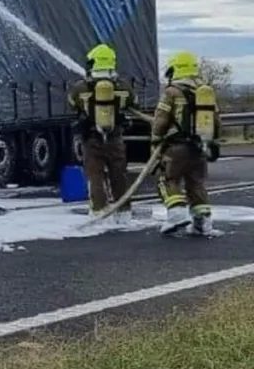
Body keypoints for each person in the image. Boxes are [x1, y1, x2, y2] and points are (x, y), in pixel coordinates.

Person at [151, 50, 222, 236]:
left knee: (167, 178)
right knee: (196, 183)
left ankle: (176, 215)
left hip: (177, 146)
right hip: (200, 148)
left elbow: (161, 119)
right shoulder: (205, 92)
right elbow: (216, 120)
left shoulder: (172, 92)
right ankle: (202, 223)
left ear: (175, 69)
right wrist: (213, 142)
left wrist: (156, 139)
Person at [67, 43, 136, 223]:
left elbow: (72, 103)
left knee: (95, 175)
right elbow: (132, 101)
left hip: (91, 138)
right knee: (119, 174)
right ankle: (124, 212)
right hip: (115, 138)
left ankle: (99, 211)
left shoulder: (81, 87)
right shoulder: (122, 86)